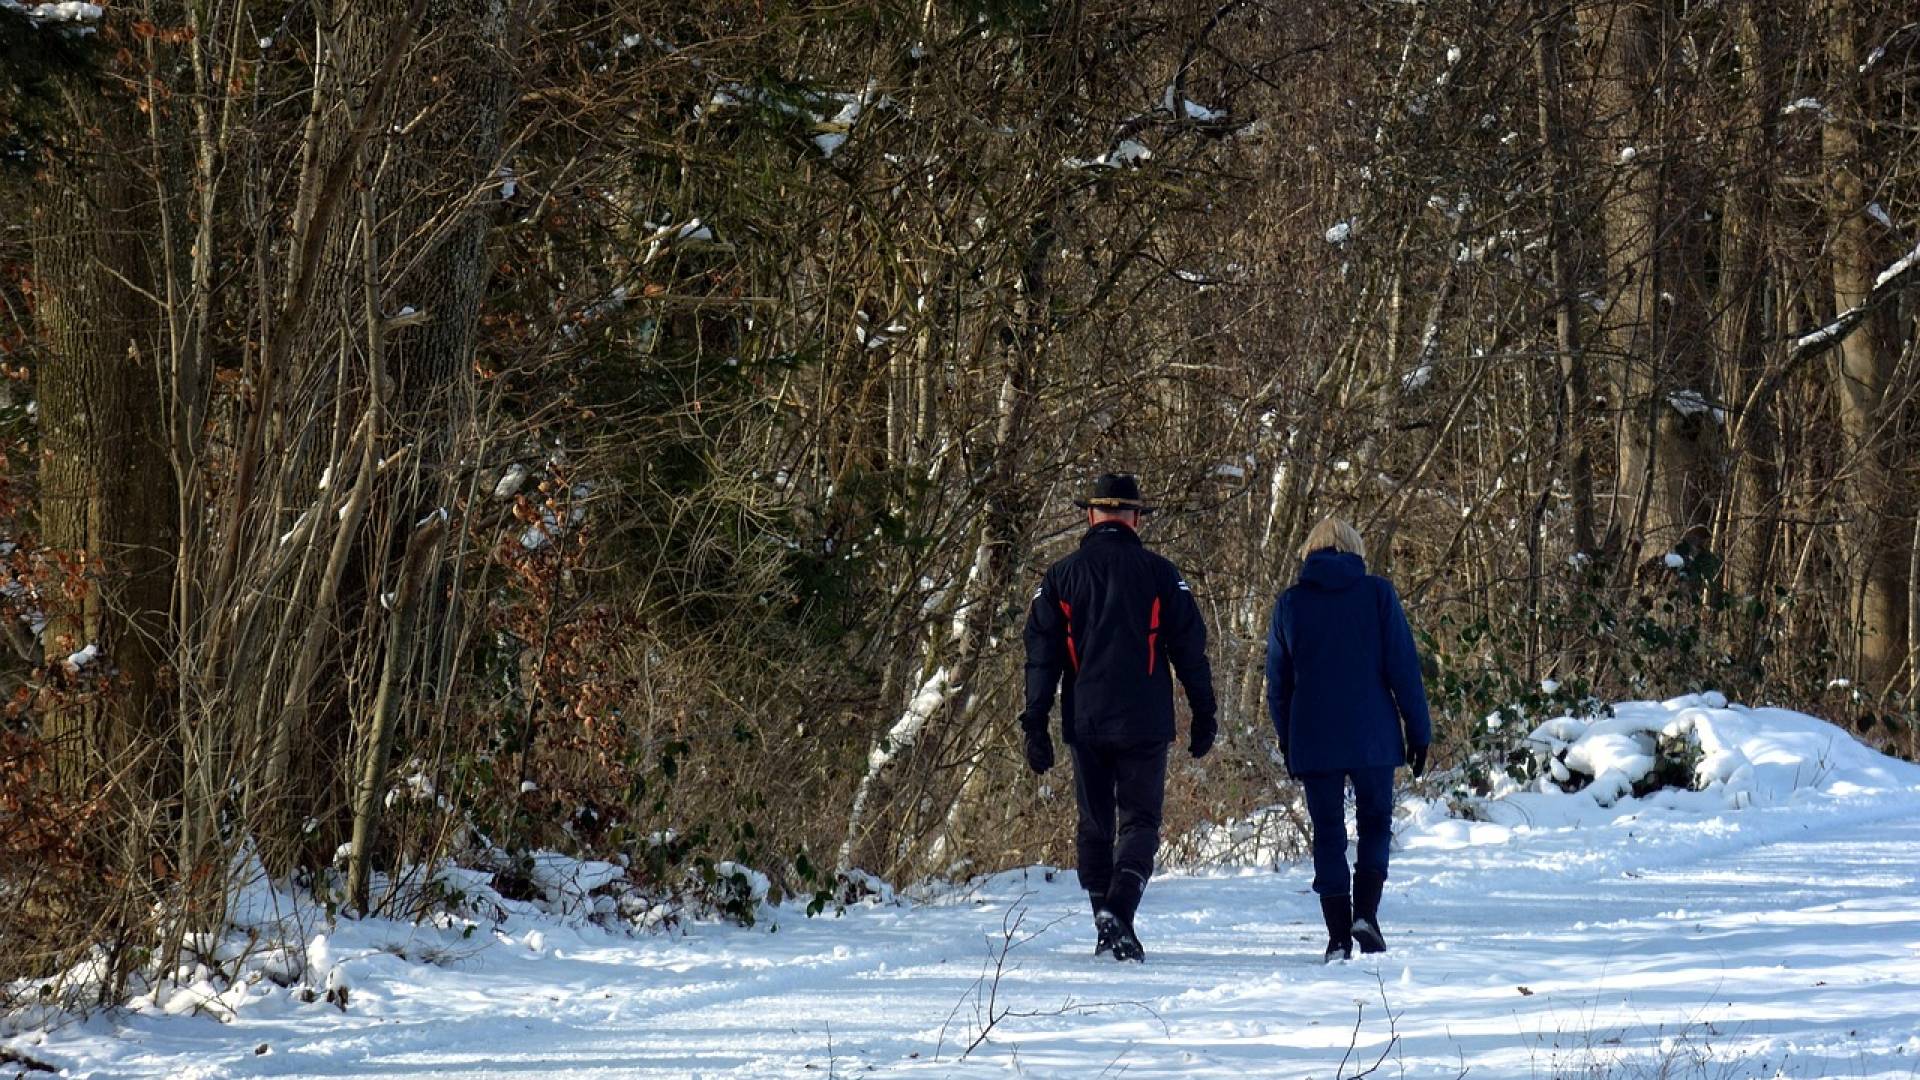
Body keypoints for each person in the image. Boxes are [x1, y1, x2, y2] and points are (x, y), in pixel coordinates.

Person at [1020, 473, 1217, 963]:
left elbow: (1041, 657)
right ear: (1134, 518)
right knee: (1141, 820)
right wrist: (1204, 710)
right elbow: (1190, 649)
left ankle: (1107, 920)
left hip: (1085, 718)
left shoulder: (1060, 576)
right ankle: (1119, 914)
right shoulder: (1160, 573)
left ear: (1091, 516)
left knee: (1095, 824)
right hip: (1145, 720)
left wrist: (1034, 723)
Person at [1265, 517, 1431, 962]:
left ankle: (1338, 934)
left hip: (1314, 737)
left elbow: (1277, 685)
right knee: (1376, 822)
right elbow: (1403, 668)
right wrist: (1419, 731)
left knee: (1328, 835)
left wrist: (1288, 741)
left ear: (1310, 552)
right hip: (1372, 733)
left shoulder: (1290, 605)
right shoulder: (1378, 594)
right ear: (1356, 551)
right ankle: (1367, 915)